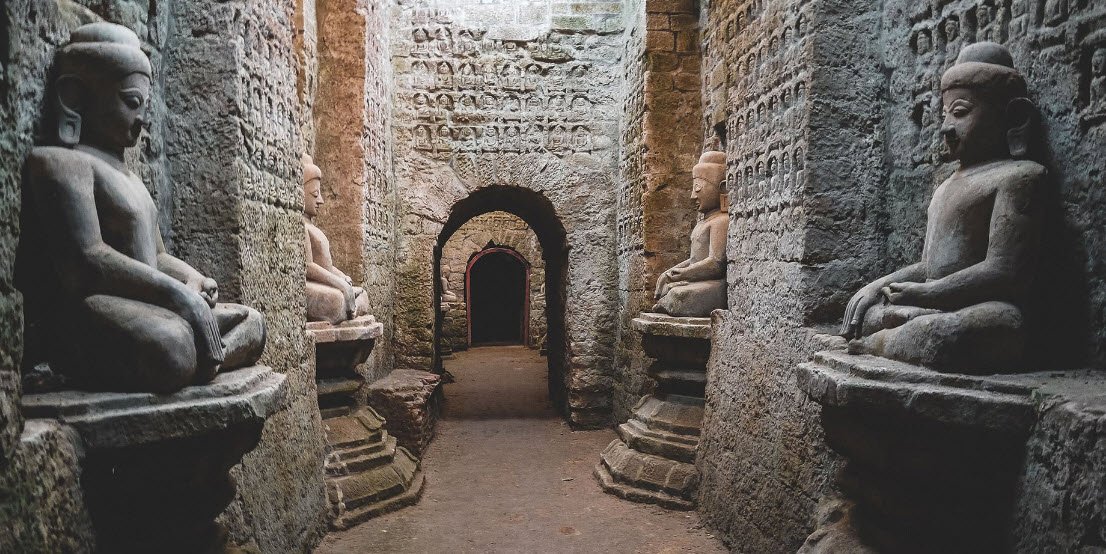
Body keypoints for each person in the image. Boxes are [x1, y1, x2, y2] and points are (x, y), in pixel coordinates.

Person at [840, 42, 1044, 371]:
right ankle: (894, 334)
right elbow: (930, 265)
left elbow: (1005, 273)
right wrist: (877, 286)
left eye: (960, 113)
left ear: (1013, 117)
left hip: (986, 308)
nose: (947, 126)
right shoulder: (945, 188)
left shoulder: (1019, 177)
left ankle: (878, 344)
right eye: (945, 114)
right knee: (871, 313)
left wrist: (927, 295)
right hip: (932, 303)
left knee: (946, 333)